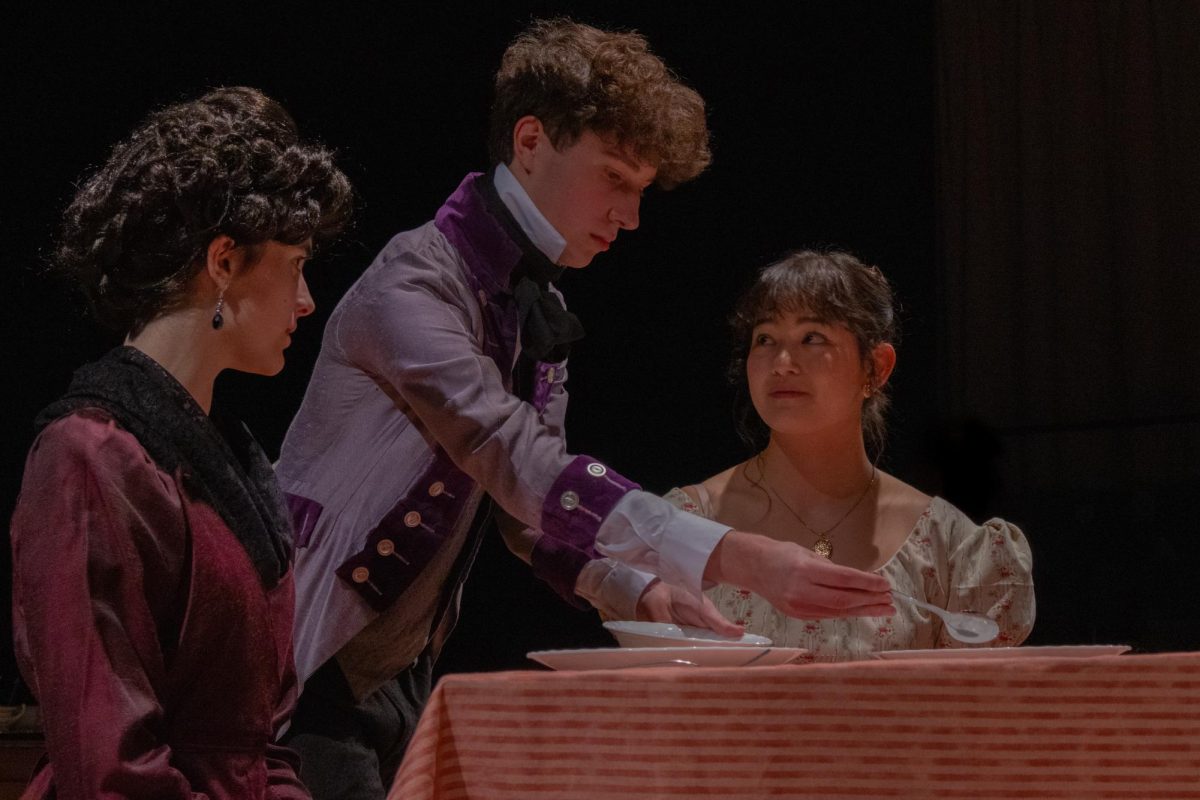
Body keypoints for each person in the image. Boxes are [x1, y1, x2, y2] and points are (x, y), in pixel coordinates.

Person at [276, 18, 893, 798]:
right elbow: (513, 454)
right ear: (531, 141)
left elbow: (527, 509)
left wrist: (638, 589)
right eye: (616, 179)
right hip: (309, 658)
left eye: (640, 190)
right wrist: (738, 555)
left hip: (396, 669)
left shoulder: (538, 304)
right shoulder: (414, 281)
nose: (630, 217)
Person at [9, 87, 352, 799]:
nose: (306, 300)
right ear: (223, 261)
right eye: (295, 264)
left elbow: (266, 745)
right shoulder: (89, 456)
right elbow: (111, 769)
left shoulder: (231, 459)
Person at [664, 250, 1035, 658]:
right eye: (765, 339)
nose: (782, 363)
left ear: (876, 367)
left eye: (812, 338)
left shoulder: (948, 546)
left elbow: (970, 692)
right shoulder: (685, 522)